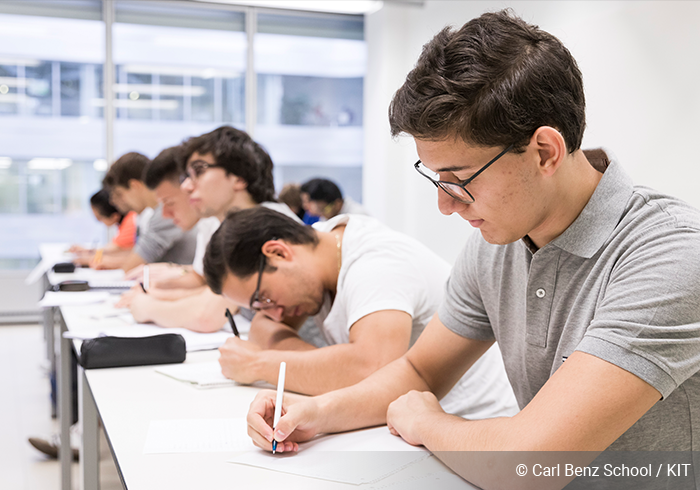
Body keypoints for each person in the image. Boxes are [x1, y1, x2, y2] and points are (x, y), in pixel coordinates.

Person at [244, 10, 700, 490]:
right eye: (436, 179)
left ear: (545, 151)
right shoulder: (499, 242)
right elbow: (421, 369)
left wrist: (426, 422)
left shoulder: (669, 256)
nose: (445, 205)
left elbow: (532, 463)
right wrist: (317, 412)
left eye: (459, 180)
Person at [204, 206, 517, 417]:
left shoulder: (375, 265)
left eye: (264, 297)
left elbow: (372, 372)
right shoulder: (321, 249)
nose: (271, 313)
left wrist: (261, 364)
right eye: (256, 305)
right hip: (406, 424)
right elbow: (262, 329)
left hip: (471, 423)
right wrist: (324, 368)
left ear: (278, 252)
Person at [119, 126, 299, 332]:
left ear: (239, 178)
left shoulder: (264, 225)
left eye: (199, 171)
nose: (186, 186)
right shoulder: (237, 224)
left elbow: (207, 316)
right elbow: (214, 295)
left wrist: (145, 307)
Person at [99, 152, 197, 271]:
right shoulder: (152, 214)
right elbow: (136, 254)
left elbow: (133, 264)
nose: (117, 202)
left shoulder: (163, 214)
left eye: (120, 194)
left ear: (135, 185)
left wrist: (100, 258)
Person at [70, 188, 136, 261]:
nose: (98, 221)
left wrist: (90, 256)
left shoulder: (131, 220)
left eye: (99, 218)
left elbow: (115, 249)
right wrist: (87, 251)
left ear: (114, 217)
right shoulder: (127, 220)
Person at [300, 178, 368, 221]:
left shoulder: (358, 216)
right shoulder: (327, 216)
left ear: (337, 204)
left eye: (324, 210)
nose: (322, 215)